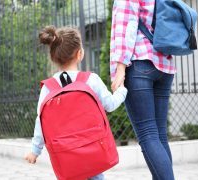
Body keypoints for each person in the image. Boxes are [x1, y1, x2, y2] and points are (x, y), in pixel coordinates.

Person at [25, 25, 127, 180]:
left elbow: (41, 121)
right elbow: (110, 105)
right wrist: (122, 91)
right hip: (92, 150)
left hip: (65, 156)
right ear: (80, 54)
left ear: (53, 57)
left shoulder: (48, 87)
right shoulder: (91, 80)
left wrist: (35, 150)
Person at [110, 0, 176, 180]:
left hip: (139, 63)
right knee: (159, 136)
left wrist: (120, 68)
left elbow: (126, 27)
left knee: (148, 135)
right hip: (164, 65)